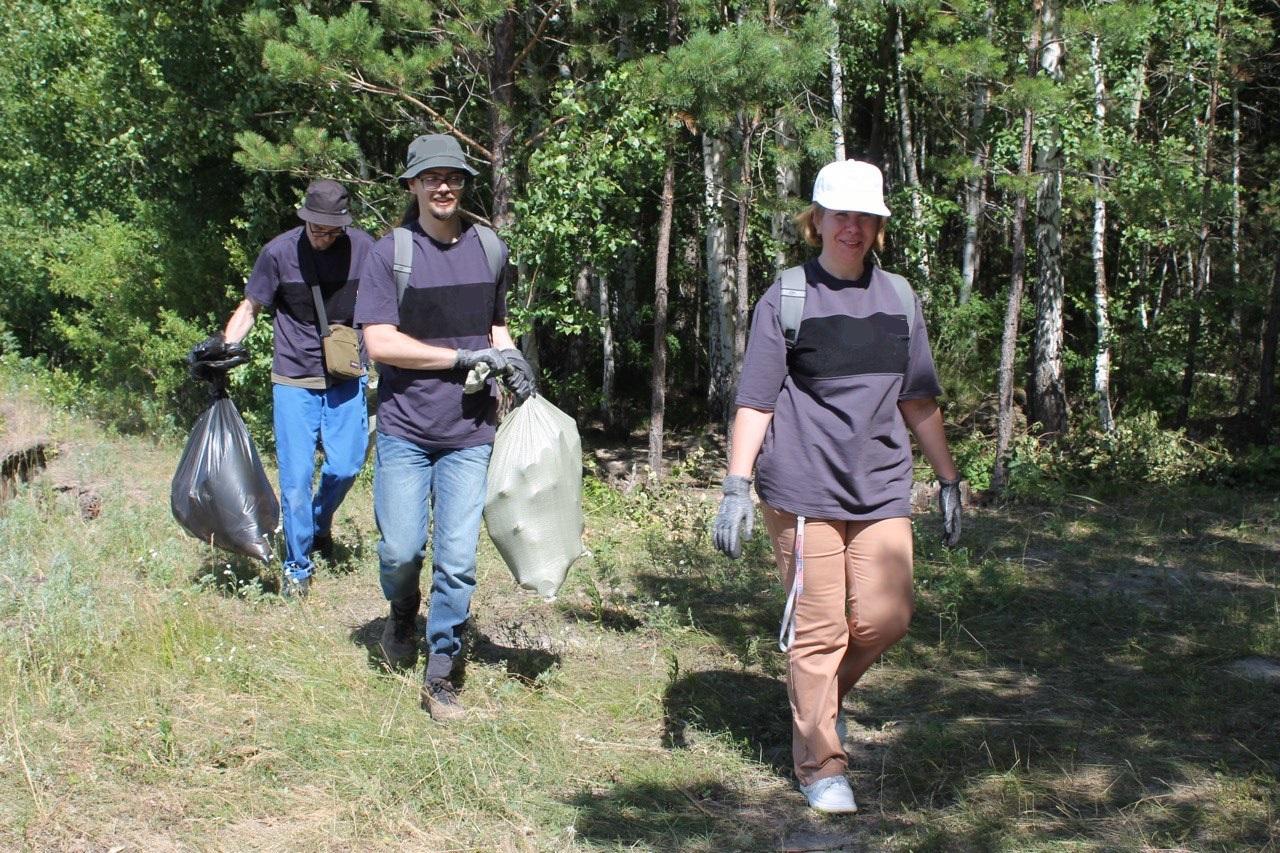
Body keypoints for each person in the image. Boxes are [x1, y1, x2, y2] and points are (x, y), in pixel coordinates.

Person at [712, 160, 962, 814]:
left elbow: (918, 396)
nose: (852, 227)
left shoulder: (900, 299)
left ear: (877, 226)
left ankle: (818, 703)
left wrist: (949, 478)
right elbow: (756, 400)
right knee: (819, 629)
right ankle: (820, 761)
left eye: (864, 216)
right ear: (815, 220)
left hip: (880, 485)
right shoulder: (787, 297)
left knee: (887, 616)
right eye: (839, 214)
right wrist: (736, 484)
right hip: (800, 488)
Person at [354, 133, 535, 721]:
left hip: (471, 433)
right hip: (406, 428)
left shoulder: (490, 249)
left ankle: (441, 674)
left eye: (453, 177)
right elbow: (379, 342)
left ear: (462, 185)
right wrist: (456, 359)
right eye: (431, 177)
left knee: (457, 561)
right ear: (412, 185)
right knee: (400, 549)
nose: (443, 186)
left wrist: (512, 364)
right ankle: (403, 610)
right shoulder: (391, 254)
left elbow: (496, 328)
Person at [203, 179, 375, 598]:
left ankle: (319, 522)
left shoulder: (365, 249)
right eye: (317, 228)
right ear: (305, 220)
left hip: (347, 374)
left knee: (347, 466)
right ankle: (298, 568)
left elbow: (386, 305)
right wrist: (226, 348)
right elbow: (250, 307)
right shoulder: (278, 253)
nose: (324, 237)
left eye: (332, 230)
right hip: (294, 378)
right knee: (296, 480)